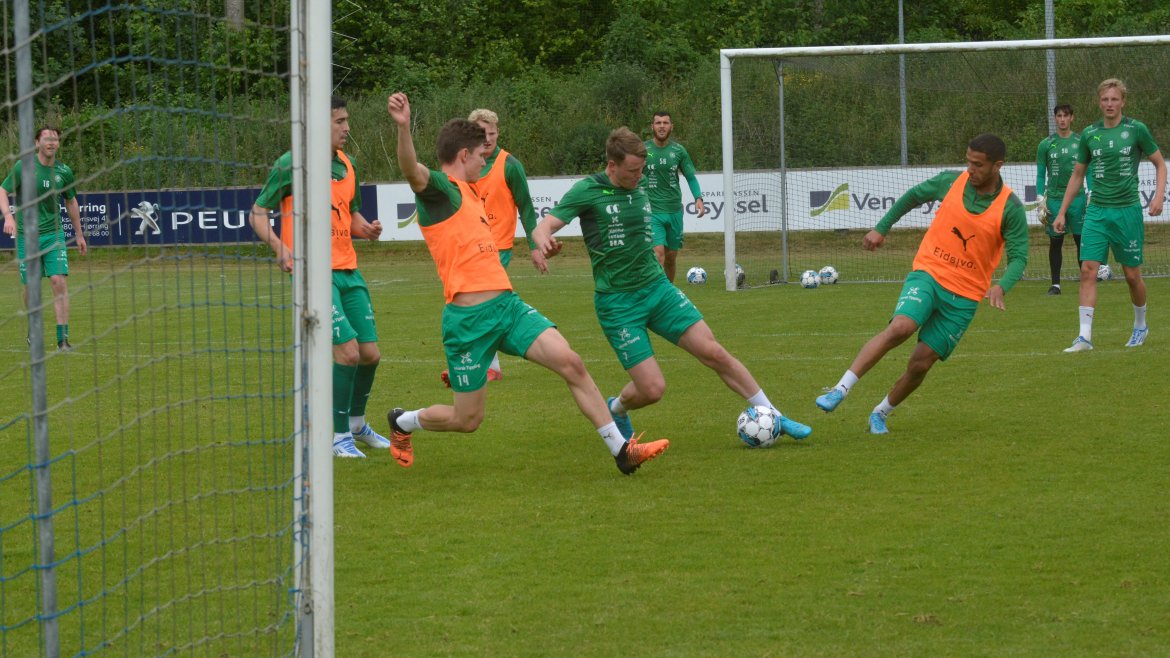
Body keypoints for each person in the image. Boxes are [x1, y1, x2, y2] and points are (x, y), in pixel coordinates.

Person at [385, 92, 668, 475]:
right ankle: (403, 421)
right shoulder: (441, 191)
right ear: (464, 155)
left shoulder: (472, 192)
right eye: (480, 155)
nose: (485, 160)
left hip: (508, 308)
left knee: (572, 363)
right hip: (468, 322)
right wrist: (404, 128)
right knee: (467, 419)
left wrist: (539, 245)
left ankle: (622, 451)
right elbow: (411, 170)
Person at [532, 127, 811, 444]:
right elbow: (543, 227)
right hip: (618, 304)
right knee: (652, 389)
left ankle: (775, 415)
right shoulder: (587, 190)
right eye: (633, 171)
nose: (640, 177)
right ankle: (617, 408)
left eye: (642, 169)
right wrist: (545, 243)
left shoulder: (640, 183)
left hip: (658, 289)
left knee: (714, 352)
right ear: (612, 165)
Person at [814, 133, 1028, 434]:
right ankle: (840, 389)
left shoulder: (1011, 207)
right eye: (968, 162)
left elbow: (1019, 257)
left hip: (965, 296)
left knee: (920, 364)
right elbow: (913, 196)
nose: (970, 170)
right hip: (930, 272)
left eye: (978, 165)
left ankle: (880, 412)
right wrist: (881, 228)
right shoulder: (950, 181)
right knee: (901, 327)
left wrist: (1001, 286)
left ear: (998, 166)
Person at [248, 96, 393, 460]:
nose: (347, 128)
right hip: (314, 274)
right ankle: (338, 436)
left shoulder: (348, 164)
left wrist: (367, 229)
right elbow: (258, 213)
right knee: (347, 353)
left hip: (349, 270)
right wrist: (280, 247)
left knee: (370, 354)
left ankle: (357, 425)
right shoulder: (292, 163)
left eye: (347, 120)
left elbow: (350, 217)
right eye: (339, 121)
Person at [1054, 78, 1166, 351]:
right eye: (1105, 99)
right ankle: (1084, 337)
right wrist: (1062, 212)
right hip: (1096, 212)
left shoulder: (1136, 129)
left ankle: (1140, 325)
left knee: (1132, 275)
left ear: (1123, 102)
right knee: (1087, 270)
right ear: (1099, 102)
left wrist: (1158, 196)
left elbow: (1160, 164)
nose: (1109, 104)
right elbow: (1077, 175)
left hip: (1127, 211)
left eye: (1114, 99)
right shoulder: (1090, 134)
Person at [437, 108, 547, 386]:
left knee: (483, 302)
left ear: (498, 133)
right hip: (467, 247)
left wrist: (535, 246)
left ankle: (484, 364)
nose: (487, 139)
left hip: (497, 247)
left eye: (492, 133)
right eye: (482, 133)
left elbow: (526, 207)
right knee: (470, 300)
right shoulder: (463, 166)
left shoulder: (509, 165)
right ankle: (480, 363)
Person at [1, 126, 87, 350]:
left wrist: (79, 235)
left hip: (54, 235)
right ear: (37, 143)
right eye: (46, 139)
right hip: (27, 238)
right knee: (31, 288)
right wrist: (8, 216)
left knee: (58, 281)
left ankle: (62, 339)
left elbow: (71, 202)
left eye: (55, 139)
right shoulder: (24, 167)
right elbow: (2, 191)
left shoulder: (64, 172)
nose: (51, 143)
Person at [641, 111, 706, 282]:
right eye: (658, 123)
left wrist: (698, 198)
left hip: (674, 211)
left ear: (671, 126)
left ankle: (669, 291)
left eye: (665, 123)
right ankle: (657, 292)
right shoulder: (642, 150)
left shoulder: (679, 150)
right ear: (652, 127)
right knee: (658, 254)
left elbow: (690, 177)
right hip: (652, 212)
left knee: (671, 257)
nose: (662, 126)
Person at [1036, 104, 1087, 295]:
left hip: (1078, 199)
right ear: (1055, 118)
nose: (1062, 119)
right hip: (1055, 199)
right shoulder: (1045, 144)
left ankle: (1086, 282)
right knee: (1055, 241)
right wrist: (1040, 198)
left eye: (1066, 116)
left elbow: (1088, 170)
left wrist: (1091, 193)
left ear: (1072, 118)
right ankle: (1055, 284)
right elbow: (1040, 174)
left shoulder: (1081, 142)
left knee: (1081, 240)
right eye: (1059, 116)